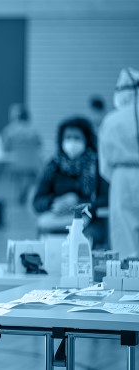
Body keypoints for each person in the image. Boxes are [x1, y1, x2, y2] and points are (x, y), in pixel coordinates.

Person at [33, 117, 108, 244]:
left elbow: (106, 200)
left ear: (87, 140)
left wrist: (78, 204)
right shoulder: (53, 166)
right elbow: (37, 202)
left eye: (77, 138)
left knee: (83, 243)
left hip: (90, 222)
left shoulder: (97, 165)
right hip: (58, 221)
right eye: (68, 137)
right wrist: (55, 202)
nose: (72, 142)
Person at [99, 68, 139, 259]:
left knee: (124, 230)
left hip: (121, 175)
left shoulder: (112, 120)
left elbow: (104, 163)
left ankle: (128, 277)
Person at [2, 104, 42, 204]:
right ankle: (26, 190)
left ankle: (18, 195)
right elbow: (39, 144)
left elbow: (5, 148)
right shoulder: (34, 131)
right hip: (32, 165)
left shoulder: (9, 131)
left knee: (17, 175)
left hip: (15, 165)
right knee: (30, 175)